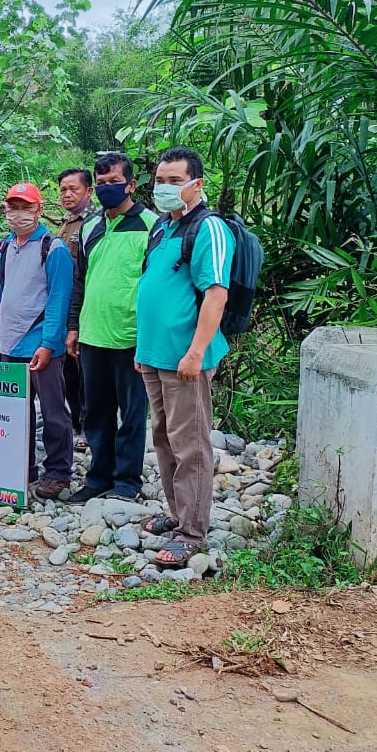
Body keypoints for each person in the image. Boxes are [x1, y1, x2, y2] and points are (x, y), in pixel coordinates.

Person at [136, 147, 234, 567]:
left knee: (190, 443)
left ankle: (192, 532)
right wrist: (143, 350)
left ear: (197, 184)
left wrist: (195, 353)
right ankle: (177, 514)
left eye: (175, 181)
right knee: (163, 436)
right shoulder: (162, 226)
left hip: (185, 358)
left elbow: (216, 294)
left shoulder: (208, 228)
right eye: (161, 180)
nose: (165, 188)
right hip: (156, 356)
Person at [64, 155, 157, 504]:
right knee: (96, 412)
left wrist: (150, 337)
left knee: (132, 413)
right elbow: (81, 282)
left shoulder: (152, 226)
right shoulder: (91, 228)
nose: (106, 188)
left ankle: (127, 481)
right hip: (93, 335)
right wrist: (73, 326)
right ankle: (98, 476)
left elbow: (155, 285)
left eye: (113, 182)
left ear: (131, 184)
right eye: (100, 183)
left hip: (132, 337)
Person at [0, 182, 75, 502]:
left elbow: (59, 300)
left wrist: (48, 344)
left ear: (39, 209)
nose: (18, 213)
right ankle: (21, 467)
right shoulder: (3, 248)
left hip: (40, 346)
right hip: (8, 344)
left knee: (52, 411)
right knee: (14, 411)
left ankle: (58, 471)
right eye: (13, 207)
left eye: (26, 207)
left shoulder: (54, 248)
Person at [58, 167, 99, 449]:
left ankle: (88, 425)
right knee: (68, 370)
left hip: (85, 306)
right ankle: (75, 422)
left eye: (73, 189)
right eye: (62, 190)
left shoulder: (95, 223)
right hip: (65, 306)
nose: (67, 194)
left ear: (89, 191)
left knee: (85, 372)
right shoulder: (66, 223)